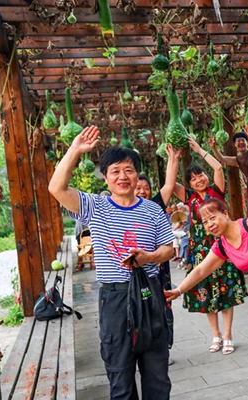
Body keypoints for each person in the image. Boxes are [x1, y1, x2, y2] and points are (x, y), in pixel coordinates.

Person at [48, 126, 174, 399]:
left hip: (149, 292)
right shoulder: (95, 206)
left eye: (128, 170)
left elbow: (169, 249)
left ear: (137, 174)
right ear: (105, 178)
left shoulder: (152, 209)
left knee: (158, 378)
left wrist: (149, 257)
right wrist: (75, 150)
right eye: (115, 171)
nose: (122, 176)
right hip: (114, 297)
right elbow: (56, 187)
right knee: (120, 376)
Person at [164, 197, 248, 388]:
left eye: (212, 217)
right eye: (205, 222)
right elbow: (200, 270)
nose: (210, 224)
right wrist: (179, 289)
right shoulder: (222, 246)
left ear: (225, 213)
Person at [172, 137, 248, 354]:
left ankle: (228, 334)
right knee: (205, 292)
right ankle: (215, 335)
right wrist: (174, 158)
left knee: (226, 292)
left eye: (200, 175)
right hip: (200, 250)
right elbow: (170, 184)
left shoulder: (217, 190)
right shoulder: (189, 197)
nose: (198, 180)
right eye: (193, 178)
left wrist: (199, 149)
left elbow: (217, 166)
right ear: (189, 183)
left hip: (222, 246)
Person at [134, 144, 182, 353]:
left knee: (163, 303)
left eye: (146, 188)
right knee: (137, 306)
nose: (142, 191)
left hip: (158, 266)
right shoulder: (120, 206)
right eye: (138, 188)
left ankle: (165, 345)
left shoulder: (154, 204)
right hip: (133, 269)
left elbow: (169, 185)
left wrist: (173, 159)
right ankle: (141, 345)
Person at [209, 129, 248, 217]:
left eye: (243, 140)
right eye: (238, 141)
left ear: (247, 142)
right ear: (235, 145)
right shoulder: (237, 160)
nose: (241, 143)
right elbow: (222, 159)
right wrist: (214, 148)